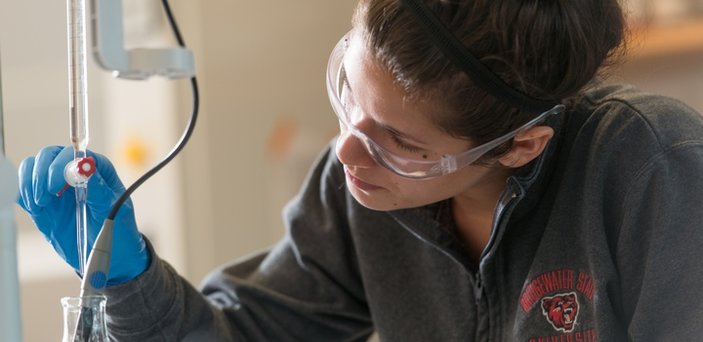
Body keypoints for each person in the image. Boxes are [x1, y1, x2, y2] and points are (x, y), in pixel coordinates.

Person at [17, 0, 703, 340]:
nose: (347, 151)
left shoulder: (649, 168)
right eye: (349, 95)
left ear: (519, 146)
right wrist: (130, 277)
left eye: (399, 140)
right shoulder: (358, 190)